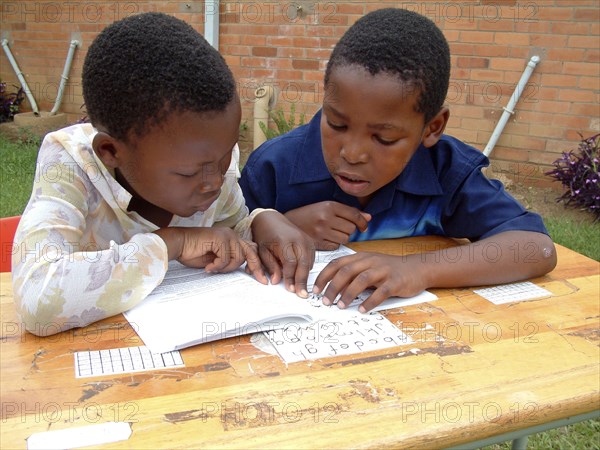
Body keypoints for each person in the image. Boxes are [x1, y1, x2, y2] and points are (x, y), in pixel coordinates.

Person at [12, 12, 314, 337]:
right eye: (187, 173)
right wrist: (172, 243)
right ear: (111, 152)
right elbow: (38, 299)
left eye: (226, 155)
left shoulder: (207, 157)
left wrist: (259, 222)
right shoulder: (70, 163)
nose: (214, 181)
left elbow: (228, 229)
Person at [240, 8, 557, 313]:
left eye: (384, 138)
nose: (353, 153)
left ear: (432, 128)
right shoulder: (274, 167)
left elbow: (535, 248)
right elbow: (216, 235)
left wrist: (417, 269)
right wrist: (271, 222)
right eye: (336, 124)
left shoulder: (445, 170)